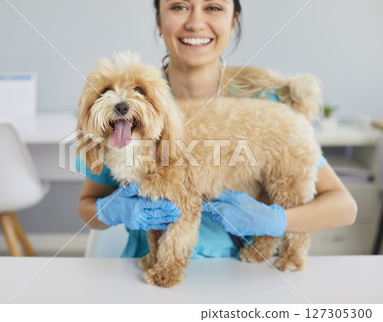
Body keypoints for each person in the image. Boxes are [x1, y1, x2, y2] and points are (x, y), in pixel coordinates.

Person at [77, 0, 357, 258]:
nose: (195, 23)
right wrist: (113, 211)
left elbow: (344, 207)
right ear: (159, 21)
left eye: (213, 7)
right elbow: (87, 207)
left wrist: (275, 220)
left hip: (242, 273)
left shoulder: (266, 108)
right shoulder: (121, 108)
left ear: (234, 21)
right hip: (150, 269)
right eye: (179, 6)